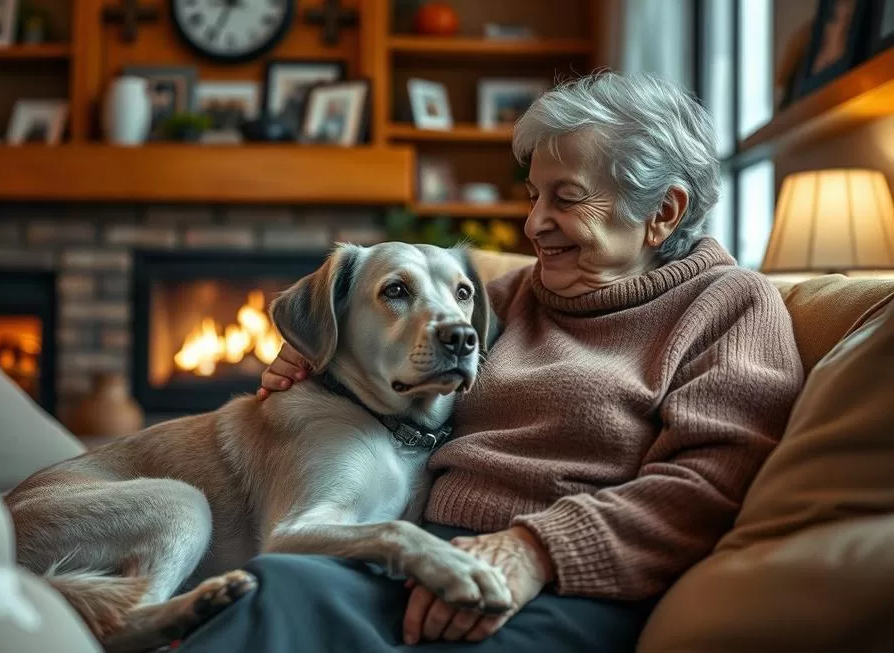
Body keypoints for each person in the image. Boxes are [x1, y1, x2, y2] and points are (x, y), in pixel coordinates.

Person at [178, 72, 804, 653]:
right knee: (274, 590)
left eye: (567, 198)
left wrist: (536, 550)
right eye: (534, 195)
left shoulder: (731, 306)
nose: (534, 223)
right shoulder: (507, 296)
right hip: (416, 552)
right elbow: (383, 340)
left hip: (564, 582)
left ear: (661, 212)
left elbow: (706, 490)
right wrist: (309, 353)